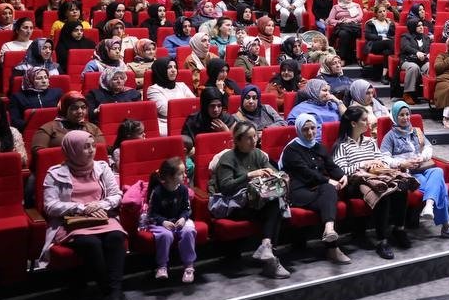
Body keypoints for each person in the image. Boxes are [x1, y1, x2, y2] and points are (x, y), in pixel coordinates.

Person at [41, 130, 130, 300]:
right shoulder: (55, 174)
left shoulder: (102, 167)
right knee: (91, 243)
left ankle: (112, 295)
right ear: (72, 150)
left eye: (92, 146)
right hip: (73, 223)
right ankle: (113, 293)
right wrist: (79, 208)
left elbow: (116, 195)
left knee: (115, 237)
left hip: (102, 217)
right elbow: (50, 206)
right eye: (85, 147)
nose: (91, 151)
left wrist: (99, 204)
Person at [211, 121, 291, 278]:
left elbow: (273, 174)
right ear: (238, 140)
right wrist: (249, 175)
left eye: (255, 136)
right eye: (249, 138)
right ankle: (270, 258)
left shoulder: (258, 154)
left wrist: (279, 176)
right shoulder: (228, 158)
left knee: (274, 202)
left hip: (257, 202)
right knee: (275, 208)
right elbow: (226, 187)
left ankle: (267, 248)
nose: (254, 141)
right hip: (234, 205)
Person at [332, 105, 413, 259]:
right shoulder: (341, 145)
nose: (368, 123)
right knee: (383, 192)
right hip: (355, 183)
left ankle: (399, 229)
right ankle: (382, 241)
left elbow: (382, 159)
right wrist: (363, 165)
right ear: (353, 124)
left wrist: (378, 164)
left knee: (401, 187)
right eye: (364, 120)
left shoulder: (370, 142)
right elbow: (341, 170)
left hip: (376, 176)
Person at [380, 101, 449, 238]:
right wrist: (404, 163)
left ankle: (429, 205)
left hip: (422, 167)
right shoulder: (390, 136)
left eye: (407, 114)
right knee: (441, 186)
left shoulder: (416, 132)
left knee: (438, 171)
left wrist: (421, 157)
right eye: (401, 115)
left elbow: (428, 148)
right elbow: (384, 158)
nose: (405, 118)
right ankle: (446, 226)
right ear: (395, 117)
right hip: (407, 173)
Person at [279, 113, 351, 264]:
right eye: (306, 129)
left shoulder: (319, 147)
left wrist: (342, 175)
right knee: (329, 194)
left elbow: (330, 165)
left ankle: (329, 230)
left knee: (329, 191)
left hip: (317, 189)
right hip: (298, 191)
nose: (310, 133)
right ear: (298, 130)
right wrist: (328, 180)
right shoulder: (291, 150)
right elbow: (306, 173)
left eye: (313, 128)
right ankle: (332, 249)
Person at [144, 156, 197, 283]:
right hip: (161, 222)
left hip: (180, 220)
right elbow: (151, 213)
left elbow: (187, 208)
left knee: (189, 231)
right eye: (181, 173)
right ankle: (162, 266)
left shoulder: (183, 189)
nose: (185, 175)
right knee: (165, 235)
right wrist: (163, 222)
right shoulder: (157, 192)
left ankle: (189, 266)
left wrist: (183, 218)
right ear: (169, 177)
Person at [32, 92, 106, 151]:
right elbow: (39, 153)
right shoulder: (48, 128)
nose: (80, 111)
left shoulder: (92, 128)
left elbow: (102, 150)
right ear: (64, 109)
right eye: (74, 108)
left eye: (83, 107)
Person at [145, 57, 196, 134]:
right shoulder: (153, 89)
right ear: (161, 70)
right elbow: (166, 110)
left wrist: (182, 107)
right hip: (166, 124)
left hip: (187, 121)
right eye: (169, 67)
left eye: (175, 67)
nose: (173, 70)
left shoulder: (181, 85)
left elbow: (194, 105)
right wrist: (185, 106)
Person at [8, 65, 64, 132]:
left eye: (46, 77)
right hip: (30, 130)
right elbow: (15, 120)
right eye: (39, 78)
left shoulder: (57, 93)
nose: (44, 81)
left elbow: (64, 113)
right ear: (30, 80)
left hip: (55, 129)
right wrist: (31, 126)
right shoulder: (18, 97)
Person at [397, 16, 430, 102]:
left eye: (422, 25)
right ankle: (408, 93)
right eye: (418, 26)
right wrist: (417, 52)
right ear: (412, 27)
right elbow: (405, 47)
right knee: (414, 67)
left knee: (430, 66)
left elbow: (428, 49)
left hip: (422, 61)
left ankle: (430, 93)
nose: (421, 27)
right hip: (408, 60)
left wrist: (427, 55)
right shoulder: (405, 36)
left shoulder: (426, 38)